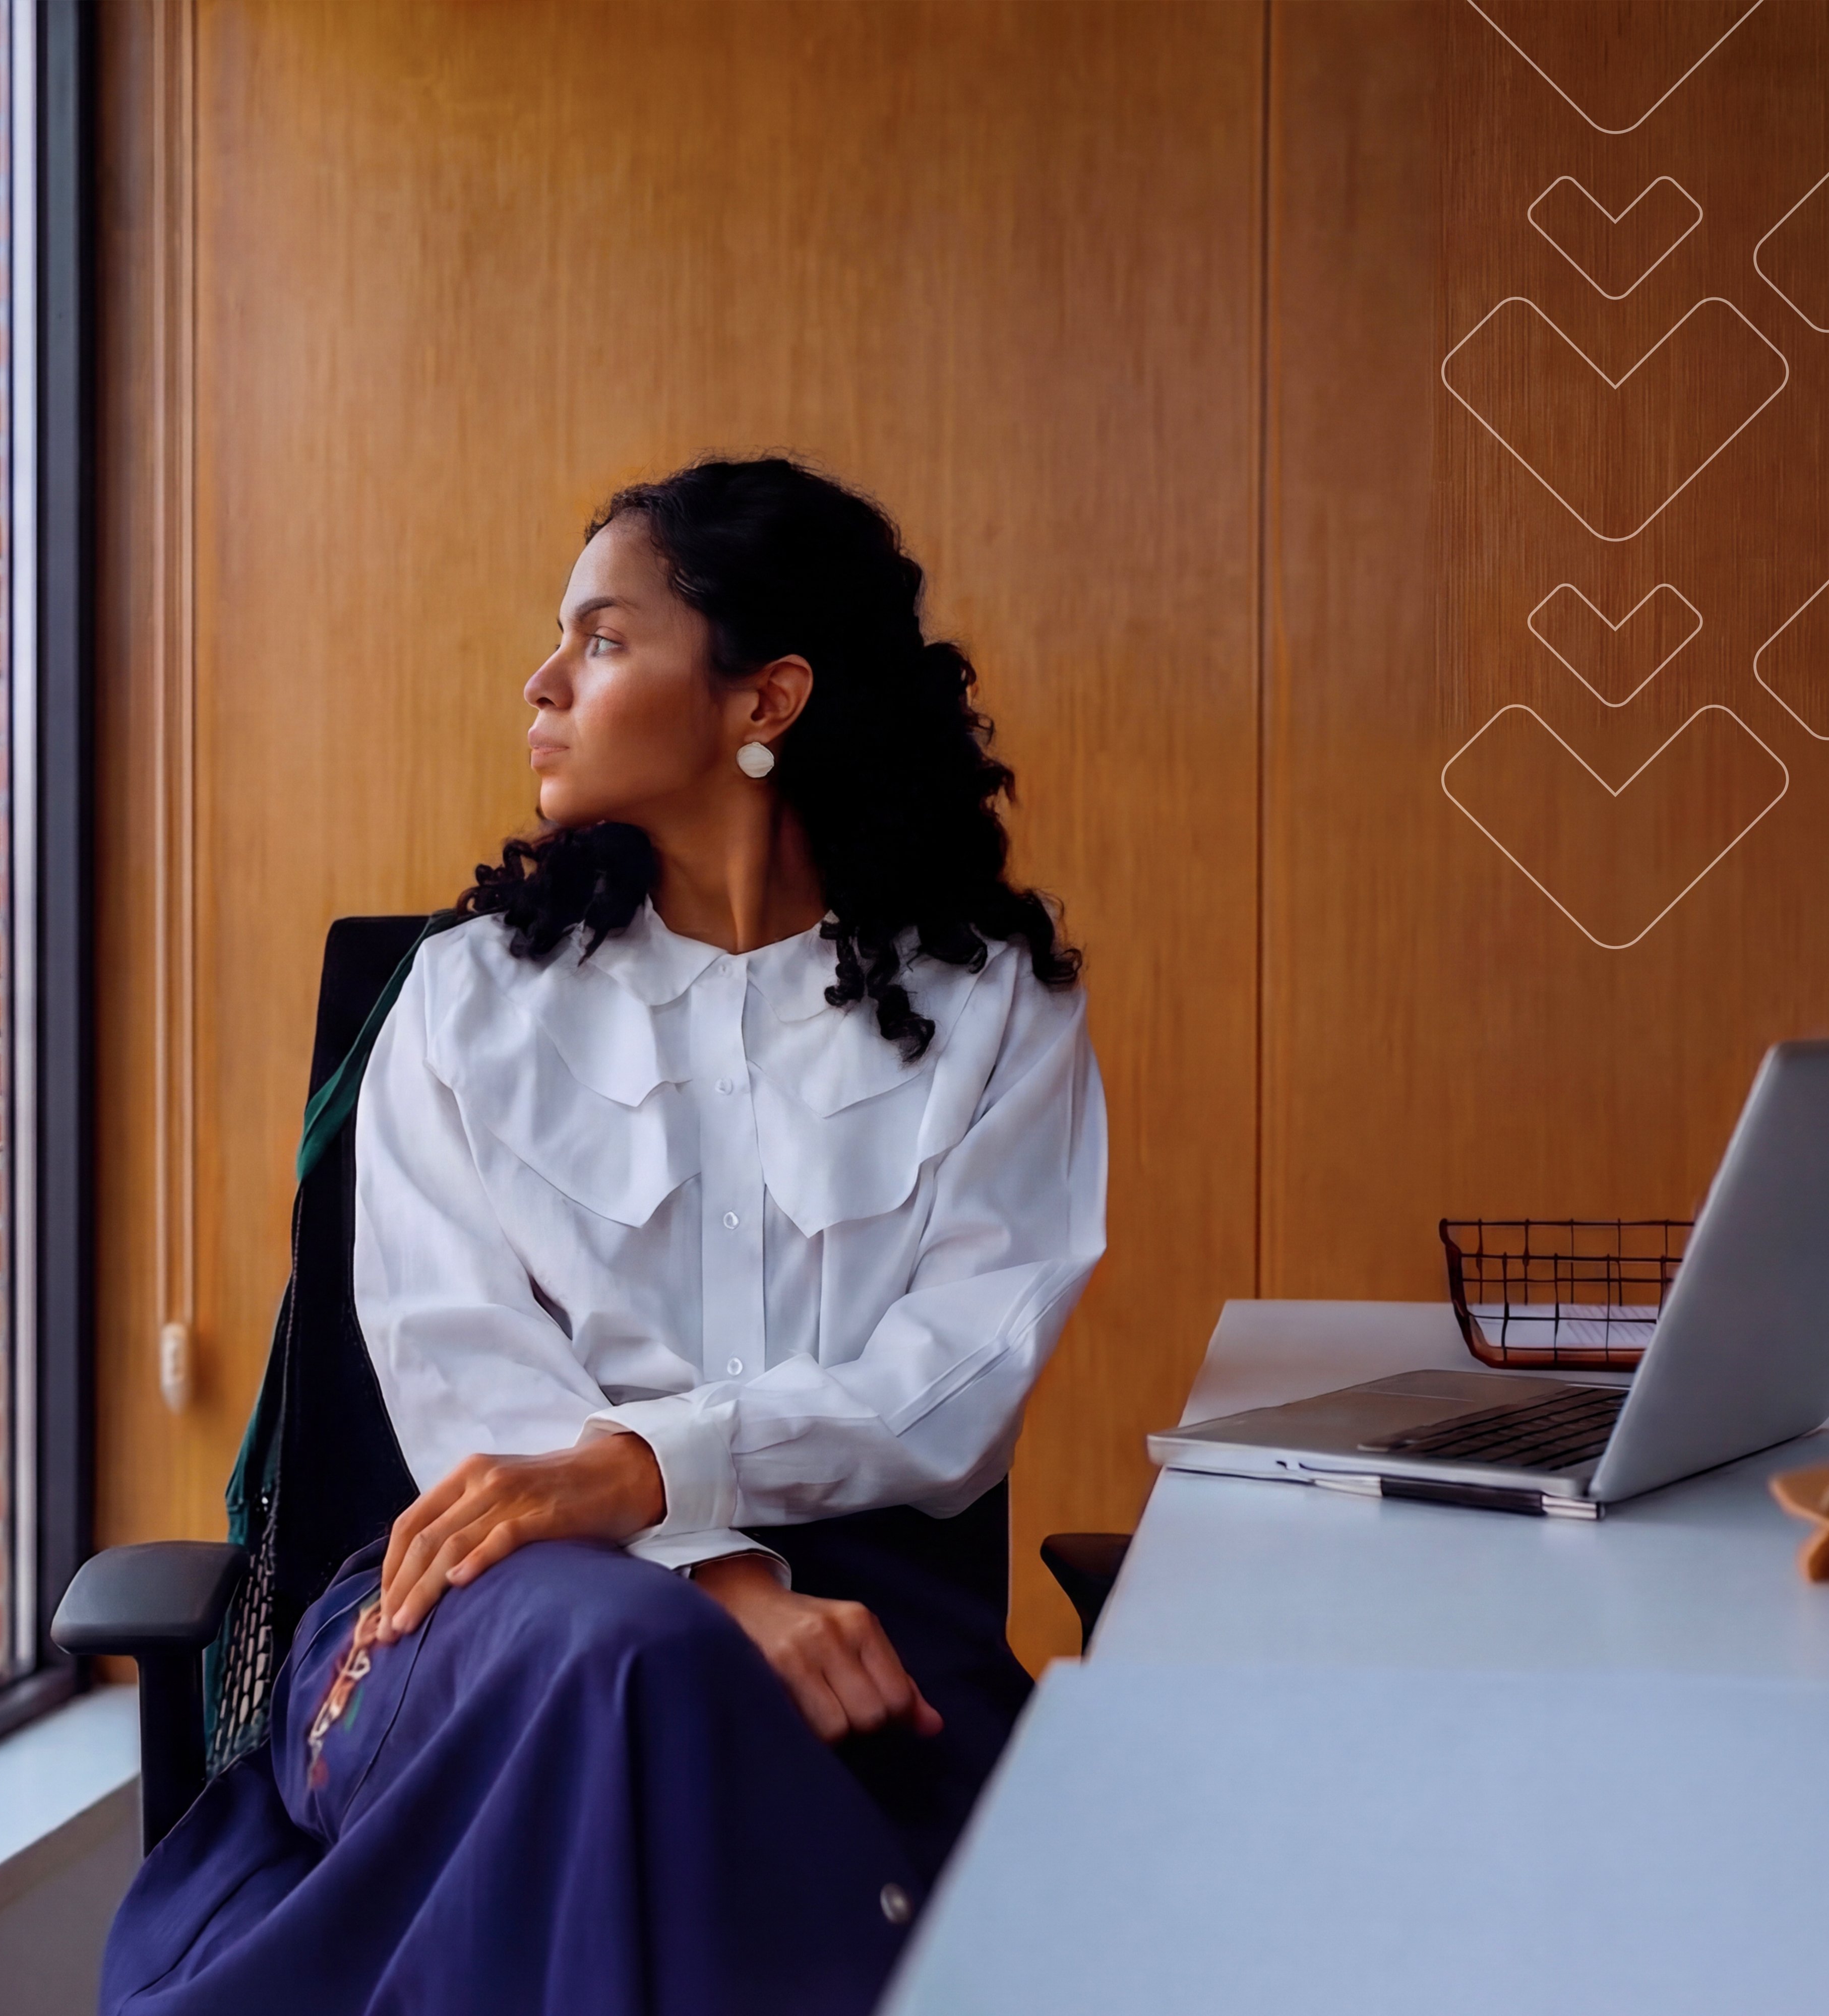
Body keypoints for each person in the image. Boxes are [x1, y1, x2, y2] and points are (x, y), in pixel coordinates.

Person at [99, 458, 1108, 2015]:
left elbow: (956, 1376)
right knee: (636, 1664)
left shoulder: (995, 1011)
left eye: (605, 639)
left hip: (871, 1630)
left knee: (662, 1698)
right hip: (479, 1613)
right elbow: (459, 1373)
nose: (544, 681)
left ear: (764, 699)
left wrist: (651, 1467)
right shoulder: (465, 1001)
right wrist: (712, 1577)